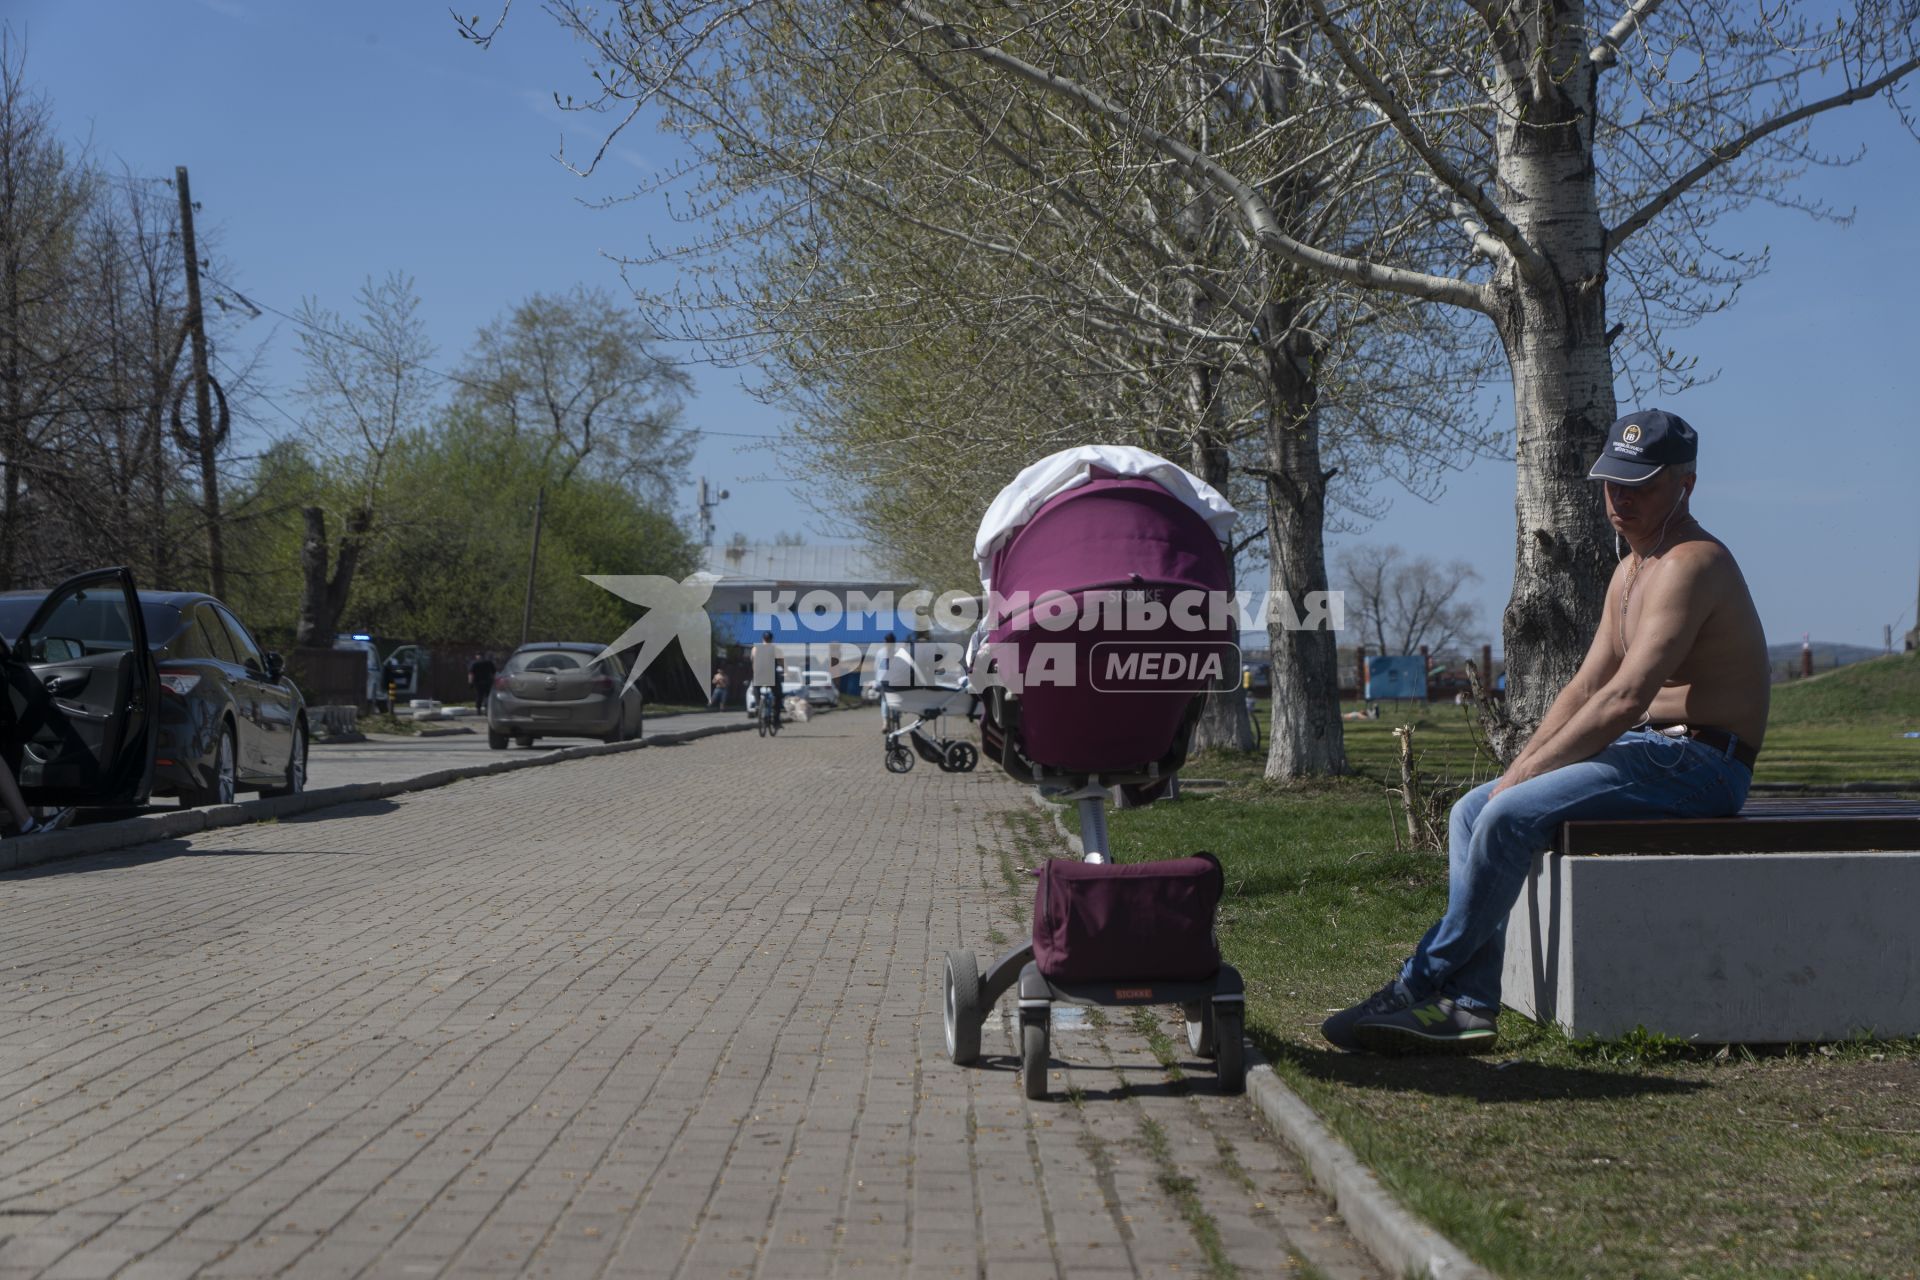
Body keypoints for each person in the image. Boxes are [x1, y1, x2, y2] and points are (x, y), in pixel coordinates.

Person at [1322, 409, 1768, 1054]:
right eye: (1613, 482)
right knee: (1474, 809)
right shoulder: (1633, 569)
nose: (1621, 499)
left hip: (1703, 765)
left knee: (1506, 814)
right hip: (1655, 753)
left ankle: (1418, 982)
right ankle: (1471, 1008)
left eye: (1640, 484)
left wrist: (1527, 777)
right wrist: (1518, 767)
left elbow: (1625, 696)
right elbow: (1584, 687)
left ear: (1686, 484)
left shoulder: (1691, 563)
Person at [750, 632, 785, 728]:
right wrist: (786, 672)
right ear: (772, 639)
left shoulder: (755, 649)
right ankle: (776, 721)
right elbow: (782, 663)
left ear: (762, 638)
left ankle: (758, 704)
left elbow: (753, 662)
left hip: (758, 674)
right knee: (778, 695)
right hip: (771, 675)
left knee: (756, 688)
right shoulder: (776, 649)